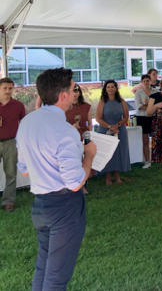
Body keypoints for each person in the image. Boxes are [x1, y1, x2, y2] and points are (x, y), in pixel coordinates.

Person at [16, 67, 97, 290]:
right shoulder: (65, 130)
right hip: (64, 206)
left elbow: (24, 170)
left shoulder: (26, 123)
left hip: (40, 206)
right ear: (62, 95)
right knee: (57, 277)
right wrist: (89, 156)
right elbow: (75, 183)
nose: (74, 93)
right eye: (73, 89)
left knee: (44, 266)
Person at [95, 80, 131, 185]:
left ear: (116, 88)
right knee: (107, 153)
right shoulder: (102, 102)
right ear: (105, 89)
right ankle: (107, 177)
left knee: (119, 152)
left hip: (119, 129)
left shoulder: (121, 101)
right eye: (108, 87)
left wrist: (118, 125)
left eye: (112, 87)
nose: (110, 89)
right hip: (105, 129)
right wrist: (110, 127)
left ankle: (117, 176)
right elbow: (98, 118)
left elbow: (126, 116)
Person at [0, 78, 26, 212]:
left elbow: (24, 124)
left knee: (11, 173)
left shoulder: (18, 105)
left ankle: (8, 202)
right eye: (5, 88)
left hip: (11, 142)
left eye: (10, 88)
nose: (8, 91)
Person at [65, 83, 93, 195]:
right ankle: (74, 186)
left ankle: (83, 186)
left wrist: (90, 136)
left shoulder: (86, 106)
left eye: (76, 91)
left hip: (83, 137)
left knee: (84, 163)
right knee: (74, 163)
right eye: (72, 91)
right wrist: (71, 127)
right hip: (69, 139)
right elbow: (59, 124)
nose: (75, 94)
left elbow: (90, 123)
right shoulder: (64, 107)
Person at [135, 74, 159, 169]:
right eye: (144, 81)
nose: (146, 82)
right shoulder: (138, 93)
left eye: (147, 80)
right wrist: (152, 106)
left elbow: (159, 105)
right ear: (141, 82)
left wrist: (148, 104)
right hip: (142, 118)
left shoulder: (156, 91)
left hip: (153, 117)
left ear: (150, 81)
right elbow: (139, 106)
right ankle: (147, 161)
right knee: (145, 140)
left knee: (156, 139)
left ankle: (156, 158)